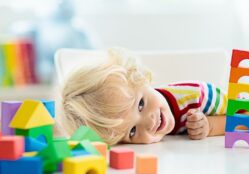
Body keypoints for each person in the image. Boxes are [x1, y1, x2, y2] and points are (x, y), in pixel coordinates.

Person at [60, 48, 228, 145]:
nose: (149, 122)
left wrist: (210, 126)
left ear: (141, 78)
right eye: (132, 131)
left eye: (140, 104)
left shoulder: (199, 96)